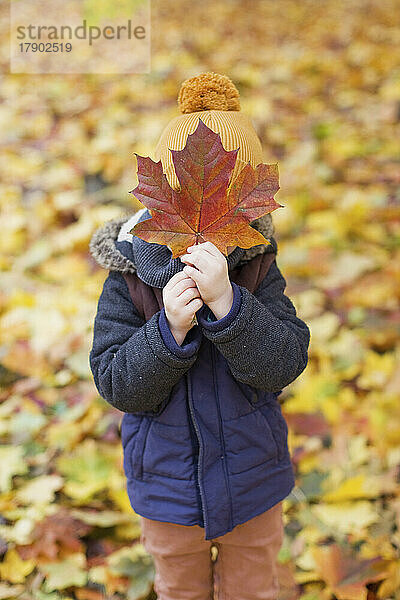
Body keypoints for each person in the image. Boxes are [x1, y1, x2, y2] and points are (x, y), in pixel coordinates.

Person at [89, 72, 311, 600]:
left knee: (252, 587)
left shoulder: (256, 265)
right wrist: (168, 330)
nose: (207, 219)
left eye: (233, 199)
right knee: (180, 588)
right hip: (167, 489)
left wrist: (231, 307)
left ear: (251, 205)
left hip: (253, 479)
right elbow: (118, 384)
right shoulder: (128, 277)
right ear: (159, 197)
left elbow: (285, 360)